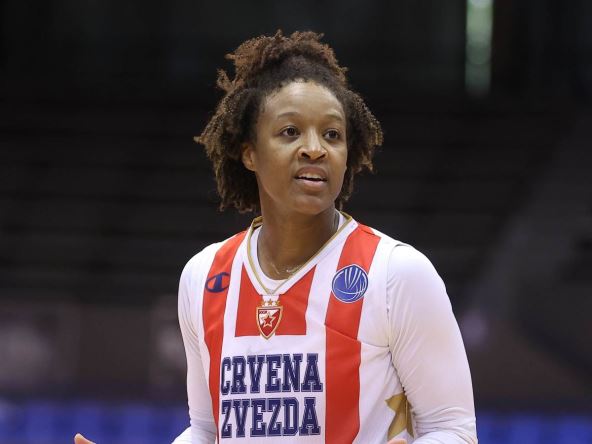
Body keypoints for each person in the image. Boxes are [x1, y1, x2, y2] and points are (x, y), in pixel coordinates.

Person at [76, 30, 477, 444]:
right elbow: (206, 430)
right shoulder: (204, 276)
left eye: (332, 134)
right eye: (290, 132)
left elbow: (454, 430)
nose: (314, 149)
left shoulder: (396, 273)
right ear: (249, 152)